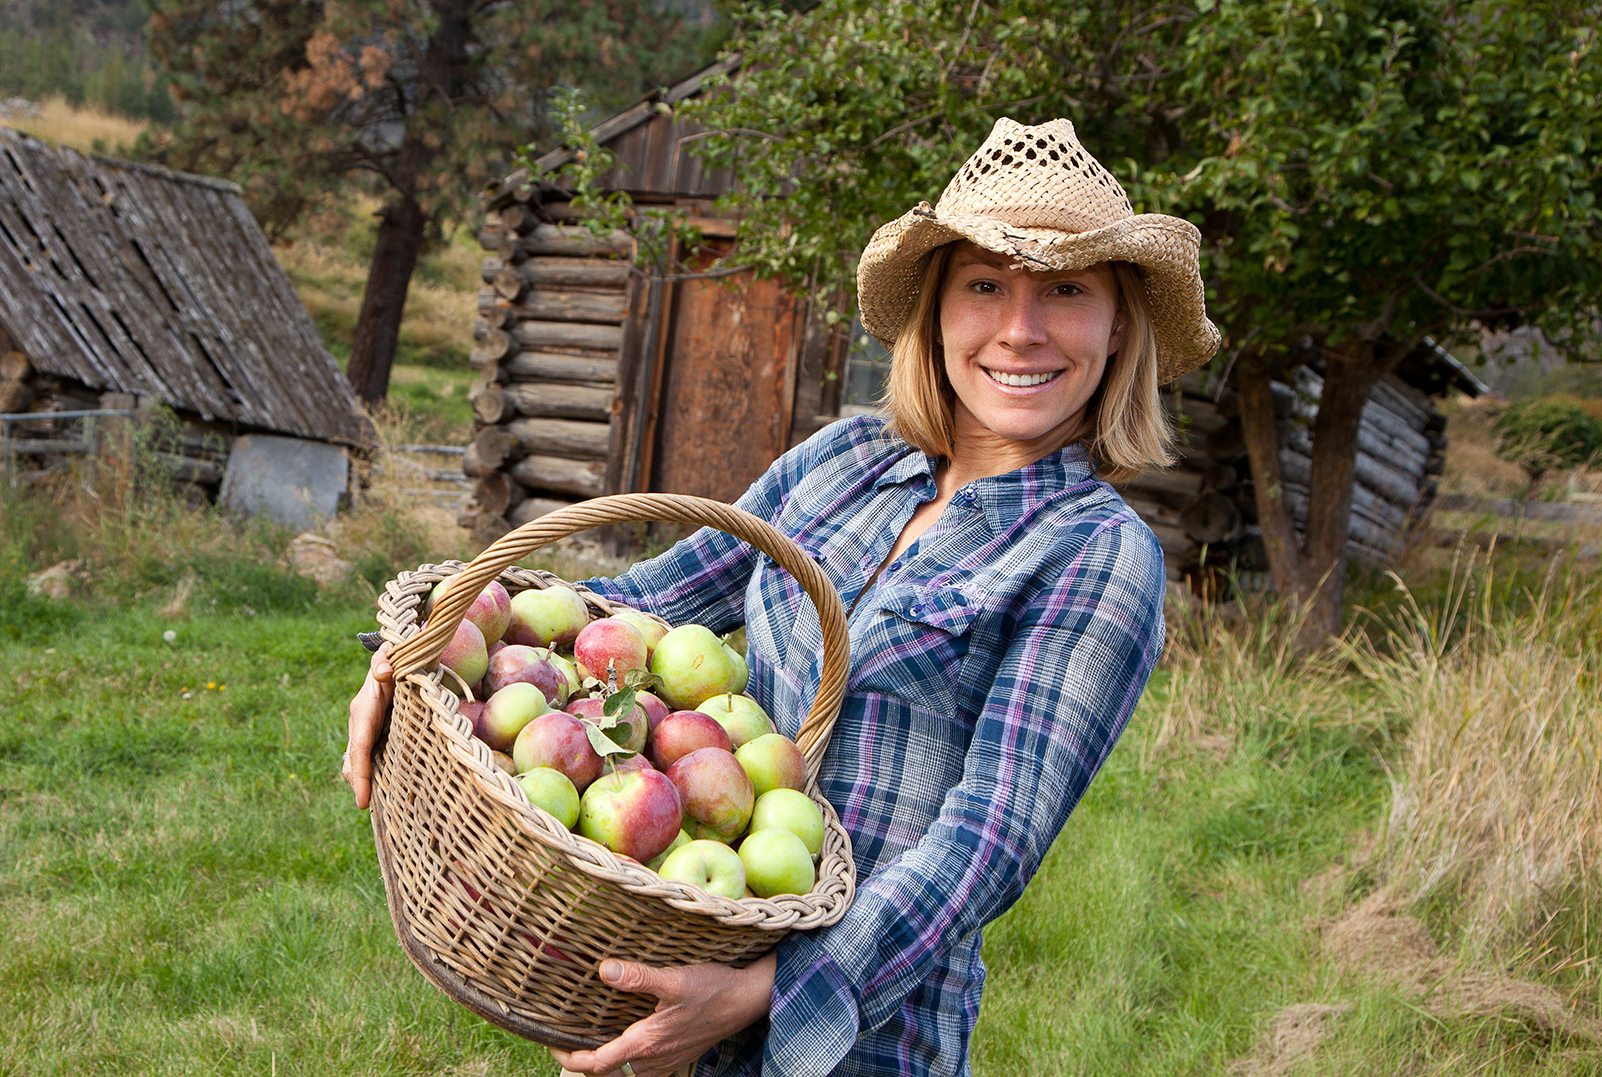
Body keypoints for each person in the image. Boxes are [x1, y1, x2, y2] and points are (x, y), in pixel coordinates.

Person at [342, 117, 1222, 1077]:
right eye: (984, 285)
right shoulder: (843, 463)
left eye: (1066, 290)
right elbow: (631, 610)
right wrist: (432, 657)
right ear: (935, 311)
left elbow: (990, 838)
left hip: (863, 1035)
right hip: (671, 946)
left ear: (1118, 325)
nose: (1020, 328)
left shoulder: (1095, 555)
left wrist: (765, 994)